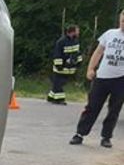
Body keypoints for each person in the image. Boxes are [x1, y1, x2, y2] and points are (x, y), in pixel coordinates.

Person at [70, 11, 124, 148]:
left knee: (114, 109)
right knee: (92, 106)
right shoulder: (110, 34)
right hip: (103, 77)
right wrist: (91, 68)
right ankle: (80, 134)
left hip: (120, 79)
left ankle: (106, 137)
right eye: (123, 20)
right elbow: (98, 52)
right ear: (120, 20)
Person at [48, 25, 81, 103]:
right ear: (72, 32)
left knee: (59, 83)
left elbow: (77, 53)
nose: (78, 32)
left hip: (69, 68)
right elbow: (57, 54)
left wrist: (79, 62)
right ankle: (59, 99)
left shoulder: (76, 41)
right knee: (58, 83)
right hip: (60, 68)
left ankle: (51, 97)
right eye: (77, 31)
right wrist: (59, 65)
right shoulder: (61, 42)